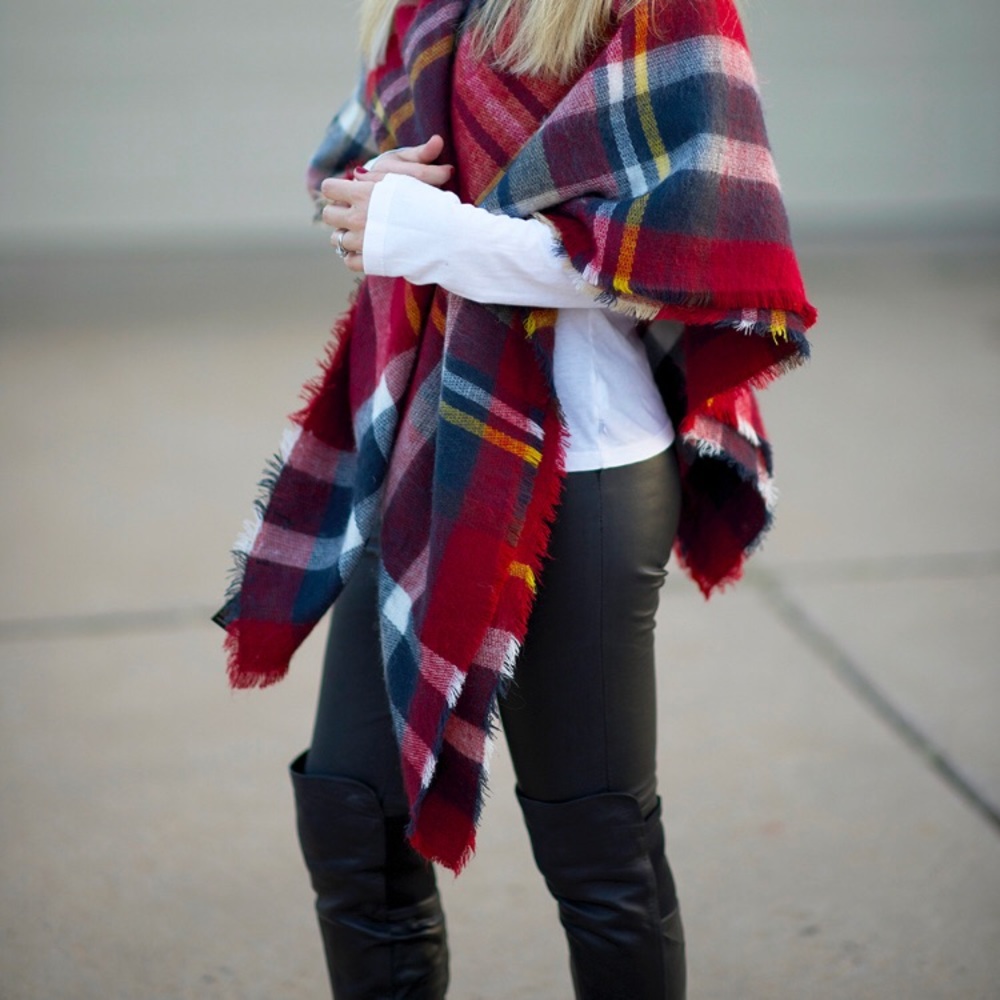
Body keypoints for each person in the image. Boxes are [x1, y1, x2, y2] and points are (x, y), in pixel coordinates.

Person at [215, 0, 816, 996]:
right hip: (434, 442)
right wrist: (371, 200)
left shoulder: (669, 10)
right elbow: (356, 200)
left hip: (587, 466)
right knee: (352, 821)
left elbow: (684, 250)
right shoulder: (426, 7)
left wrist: (433, 232)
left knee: (595, 849)